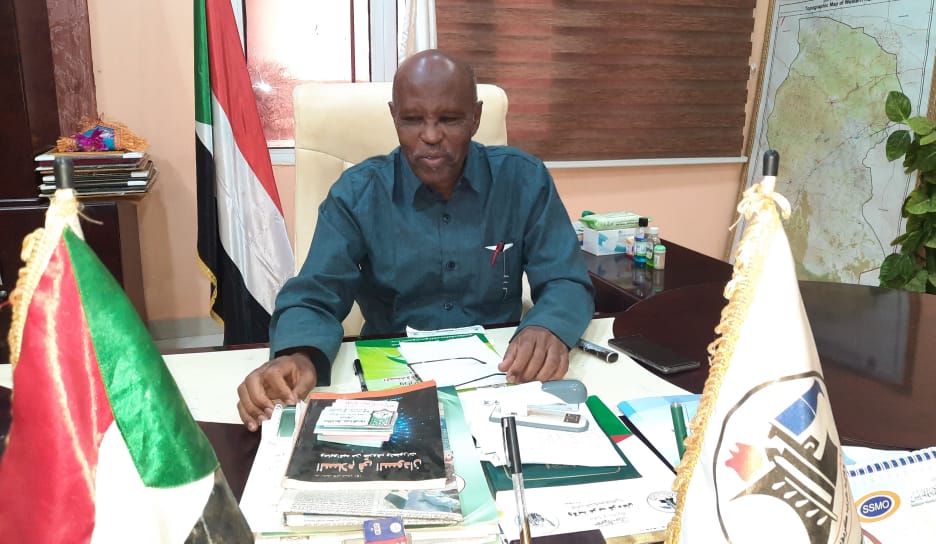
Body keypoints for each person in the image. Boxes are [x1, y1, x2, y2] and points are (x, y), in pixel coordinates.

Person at [237, 49, 594, 431]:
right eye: (412, 119)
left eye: (449, 119)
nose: (431, 136)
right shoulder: (358, 194)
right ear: (394, 116)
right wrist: (298, 354)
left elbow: (566, 279)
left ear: (475, 116)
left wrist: (548, 326)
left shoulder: (523, 180)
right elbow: (314, 293)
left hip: (504, 378)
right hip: (391, 382)